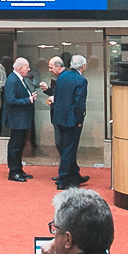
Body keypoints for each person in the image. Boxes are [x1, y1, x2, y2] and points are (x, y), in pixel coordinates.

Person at [49, 55, 89, 188]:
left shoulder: (62, 77)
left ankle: (75, 176)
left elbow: (58, 97)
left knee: (67, 148)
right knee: (69, 149)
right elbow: (79, 104)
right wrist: (79, 120)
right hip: (72, 119)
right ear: (82, 66)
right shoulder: (81, 81)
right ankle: (64, 179)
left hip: (59, 117)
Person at [3, 56, 39, 182]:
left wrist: (30, 96)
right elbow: (11, 100)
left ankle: (19, 168)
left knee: (20, 145)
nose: (28, 69)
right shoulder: (12, 80)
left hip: (21, 118)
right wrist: (27, 100)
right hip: (16, 118)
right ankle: (13, 171)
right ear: (19, 68)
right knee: (15, 145)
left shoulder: (20, 79)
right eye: (26, 67)